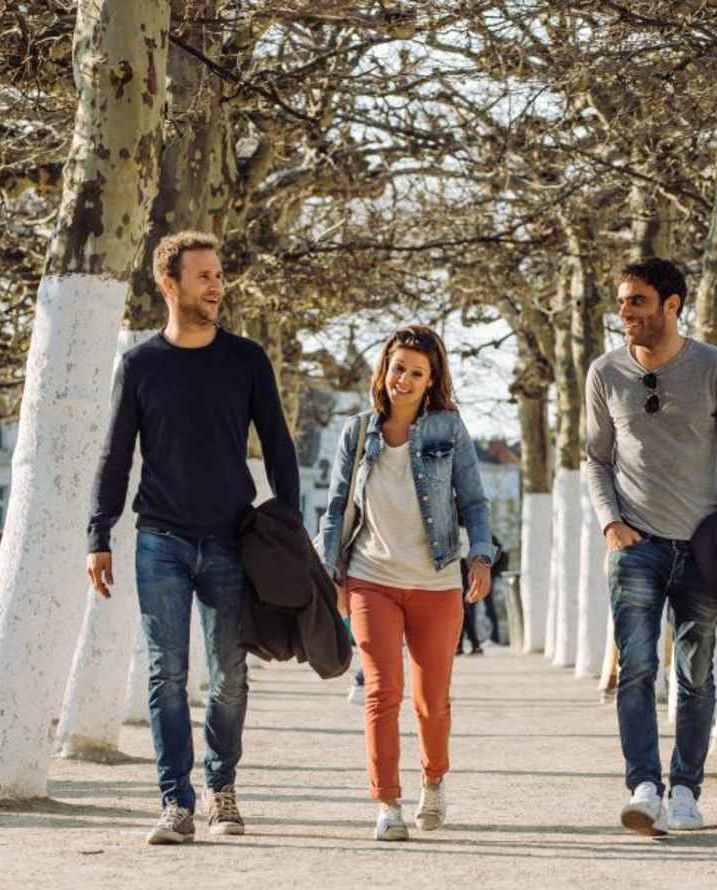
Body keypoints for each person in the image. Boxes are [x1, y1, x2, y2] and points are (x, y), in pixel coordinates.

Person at [85, 230, 300, 845]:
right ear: (169, 283)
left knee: (231, 674)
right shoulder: (141, 364)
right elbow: (116, 456)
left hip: (232, 537)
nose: (216, 284)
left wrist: (289, 521)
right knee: (166, 673)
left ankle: (221, 788)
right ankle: (175, 803)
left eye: (219, 274)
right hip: (161, 540)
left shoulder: (247, 359)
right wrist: (98, 534)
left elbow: (279, 444)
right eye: (203, 275)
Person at [583, 257, 717, 836]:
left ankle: (685, 790)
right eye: (623, 300)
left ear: (672, 305)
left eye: (638, 300)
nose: (626, 311)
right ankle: (645, 787)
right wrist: (611, 522)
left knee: (696, 674)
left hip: (702, 547)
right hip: (636, 546)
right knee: (635, 668)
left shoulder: (715, 368)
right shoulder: (605, 373)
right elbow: (595, 459)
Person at [316, 325, 495, 842]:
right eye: (398, 368)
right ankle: (388, 803)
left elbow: (474, 502)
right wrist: (334, 574)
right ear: (384, 369)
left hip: (437, 583)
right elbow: (335, 510)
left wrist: (479, 558)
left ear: (431, 379)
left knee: (430, 701)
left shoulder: (449, 430)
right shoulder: (357, 432)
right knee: (381, 692)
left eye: (417, 373)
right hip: (372, 578)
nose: (405, 380)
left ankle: (433, 782)